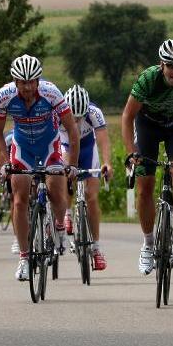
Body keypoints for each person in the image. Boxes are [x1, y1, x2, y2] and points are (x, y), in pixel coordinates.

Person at [0, 54, 80, 282]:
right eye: (23, 82)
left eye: (32, 82)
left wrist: (71, 165)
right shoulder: (4, 96)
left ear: (39, 80)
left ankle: (60, 227)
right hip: (22, 148)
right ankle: (24, 257)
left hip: (50, 146)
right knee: (19, 200)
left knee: (58, 193)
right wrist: (4, 164)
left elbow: (72, 130)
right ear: (15, 81)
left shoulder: (52, 93)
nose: (29, 87)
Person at [121, 38, 173, 275]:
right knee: (145, 185)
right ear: (161, 64)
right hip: (148, 126)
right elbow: (126, 117)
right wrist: (131, 152)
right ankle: (148, 244)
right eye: (170, 65)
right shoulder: (148, 79)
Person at [61, 84, 112, 271]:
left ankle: (96, 250)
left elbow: (104, 140)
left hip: (88, 150)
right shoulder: (57, 113)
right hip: (65, 148)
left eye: (79, 117)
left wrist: (107, 163)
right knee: (65, 176)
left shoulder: (94, 112)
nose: (75, 121)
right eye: (72, 117)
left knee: (91, 197)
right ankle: (66, 212)